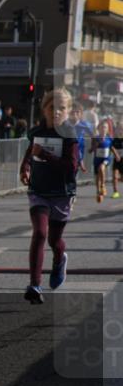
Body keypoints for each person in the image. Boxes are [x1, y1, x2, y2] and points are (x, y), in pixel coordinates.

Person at [18, 89, 79, 305]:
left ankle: (59, 259)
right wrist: (24, 168)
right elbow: (29, 154)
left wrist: (44, 155)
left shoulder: (69, 136)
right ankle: (35, 284)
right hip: (39, 192)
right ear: (44, 109)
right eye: (52, 107)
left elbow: (70, 168)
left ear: (68, 111)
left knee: (55, 240)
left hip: (61, 193)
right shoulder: (36, 132)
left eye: (62, 108)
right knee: (40, 233)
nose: (56, 112)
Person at [92, 119, 114, 203]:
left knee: (102, 167)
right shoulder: (96, 138)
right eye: (102, 127)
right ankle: (98, 192)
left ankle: (103, 185)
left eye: (105, 127)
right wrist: (96, 145)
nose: (103, 129)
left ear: (107, 129)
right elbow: (92, 149)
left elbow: (112, 148)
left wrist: (116, 155)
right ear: (99, 128)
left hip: (106, 159)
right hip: (97, 159)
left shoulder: (110, 139)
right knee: (97, 176)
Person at [69, 103, 93, 174]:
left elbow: (93, 135)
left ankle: (81, 163)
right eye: (73, 112)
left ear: (81, 114)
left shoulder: (85, 125)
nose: (75, 114)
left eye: (77, 112)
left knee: (73, 174)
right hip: (66, 152)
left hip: (78, 153)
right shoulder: (65, 124)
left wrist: (93, 146)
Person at [112, 131, 123, 199]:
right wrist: (116, 154)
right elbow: (111, 147)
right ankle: (116, 192)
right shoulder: (115, 139)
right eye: (119, 128)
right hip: (117, 160)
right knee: (115, 176)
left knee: (121, 179)